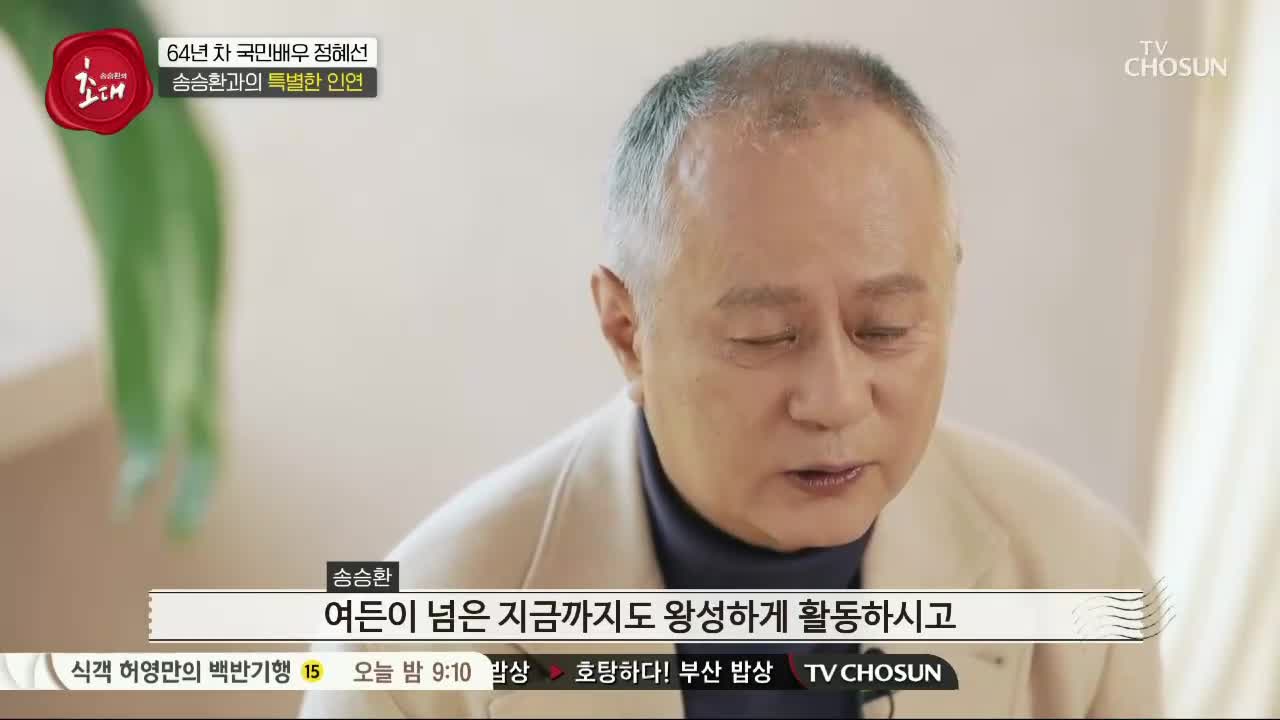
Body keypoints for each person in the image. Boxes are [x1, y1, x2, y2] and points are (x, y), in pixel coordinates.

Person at [301, 39, 1163, 718]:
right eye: (766, 336)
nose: (835, 399)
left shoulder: (1081, 579)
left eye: (887, 328)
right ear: (627, 331)